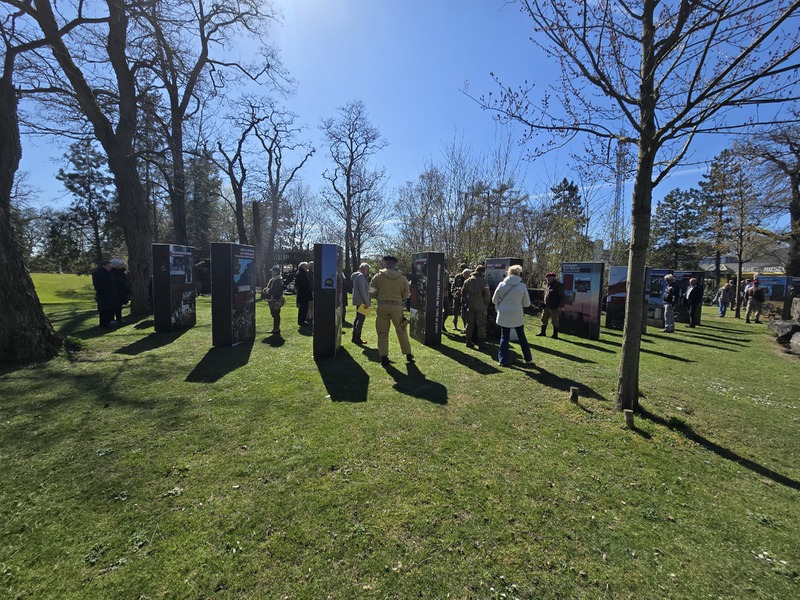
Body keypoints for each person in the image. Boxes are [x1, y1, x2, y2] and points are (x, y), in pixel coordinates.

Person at [370, 255, 413, 366]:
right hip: (397, 306)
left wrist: (379, 297)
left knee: (382, 332)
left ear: (385, 263)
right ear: (394, 264)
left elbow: (371, 291)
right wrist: (400, 299)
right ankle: (408, 354)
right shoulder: (402, 278)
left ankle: (384, 356)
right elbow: (407, 293)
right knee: (401, 330)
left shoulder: (378, 276)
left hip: (382, 306)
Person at [492, 264, 534, 367]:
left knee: (504, 337)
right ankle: (528, 359)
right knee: (521, 337)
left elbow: (494, 300)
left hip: (503, 314)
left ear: (508, 273)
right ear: (519, 273)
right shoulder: (522, 286)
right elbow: (527, 303)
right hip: (517, 314)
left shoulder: (501, 284)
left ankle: (503, 360)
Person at [462, 265, 491, 349]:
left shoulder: (467, 281)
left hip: (470, 304)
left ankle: (468, 341)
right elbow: (487, 294)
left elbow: (463, 293)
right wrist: (486, 303)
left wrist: (467, 301)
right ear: (482, 272)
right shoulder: (483, 281)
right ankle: (481, 343)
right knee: (481, 324)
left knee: (469, 323)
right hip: (480, 304)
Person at [91, 260, 119, 328]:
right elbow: (97, 284)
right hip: (103, 294)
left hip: (111, 293)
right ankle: (103, 324)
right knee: (104, 309)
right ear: (103, 266)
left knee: (110, 309)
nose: (110, 268)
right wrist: (102, 291)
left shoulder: (109, 272)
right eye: (109, 266)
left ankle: (108, 322)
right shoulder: (98, 273)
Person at [537, 271, 565, 339]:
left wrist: (560, 306)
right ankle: (543, 332)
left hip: (554, 306)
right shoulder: (548, 285)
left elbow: (562, 296)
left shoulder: (558, 285)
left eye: (549, 278)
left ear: (554, 278)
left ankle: (555, 335)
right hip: (546, 306)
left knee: (554, 321)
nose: (548, 279)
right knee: (543, 319)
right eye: (547, 278)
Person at [351, 262, 371, 345]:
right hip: (361, 301)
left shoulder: (359, 276)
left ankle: (354, 337)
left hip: (359, 300)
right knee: (360, 320)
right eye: (367, 270)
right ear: (364, 269)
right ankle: (357, 338)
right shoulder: (361, 277)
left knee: (358, 318)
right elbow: (362, 291)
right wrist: (367, 302)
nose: (368, 271)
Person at [110, 258, 131, 325]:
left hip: (121, 291)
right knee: (113, 306)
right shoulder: (112, 273)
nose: (121, 265)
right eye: (119, 264)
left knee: (119, 306)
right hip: (115, 292)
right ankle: (112, 319)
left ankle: (119, 318)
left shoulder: (122, 272)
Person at [265, 266, 285, 334]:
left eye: (272, 271)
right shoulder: (275, 279)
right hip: (273, 299)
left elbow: (277, 291)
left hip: (275, 299)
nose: (271, 272)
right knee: (275, 314)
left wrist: (268, 291)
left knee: (275, 314)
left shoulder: (277, 280)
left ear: (276, 272)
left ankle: (276, 328)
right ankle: (276, 328)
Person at [450, 263, 469, 330]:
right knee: (455, 312)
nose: (462, 270)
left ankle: (465, 327)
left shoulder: (468, 277)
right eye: (461, 269)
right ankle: (455, 325)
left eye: (463, 269)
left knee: (464, 313)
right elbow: (453, 286)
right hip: (457, 297)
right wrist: (454, 293)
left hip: (464, 298)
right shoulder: (457, 276)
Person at [294, 262, 312, 327]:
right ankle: (301, 321)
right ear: (302, 266)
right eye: (306, 266)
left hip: (303, 293)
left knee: (304, 307)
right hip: (303, 293)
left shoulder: (302, 273)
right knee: (303, 308)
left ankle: (302, 320)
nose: (307, 268)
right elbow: (301, 283)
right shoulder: (301, 273)